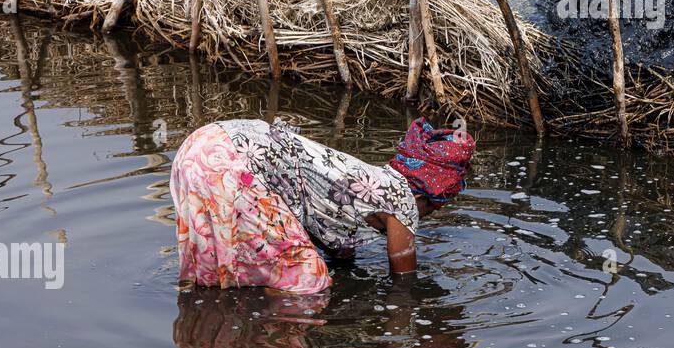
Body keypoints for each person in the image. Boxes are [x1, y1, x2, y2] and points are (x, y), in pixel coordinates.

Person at [171, 115, 475, 293]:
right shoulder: (404, 202)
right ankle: (279, 346)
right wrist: (397, 330)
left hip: (201, 146)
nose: (426, 216)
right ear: (425, 195)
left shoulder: (370, 181)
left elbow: (331, 235)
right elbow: (404, 283)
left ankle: (218, 321)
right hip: (231, 160)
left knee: (221, 267)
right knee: (308, 279)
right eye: (434, 207)